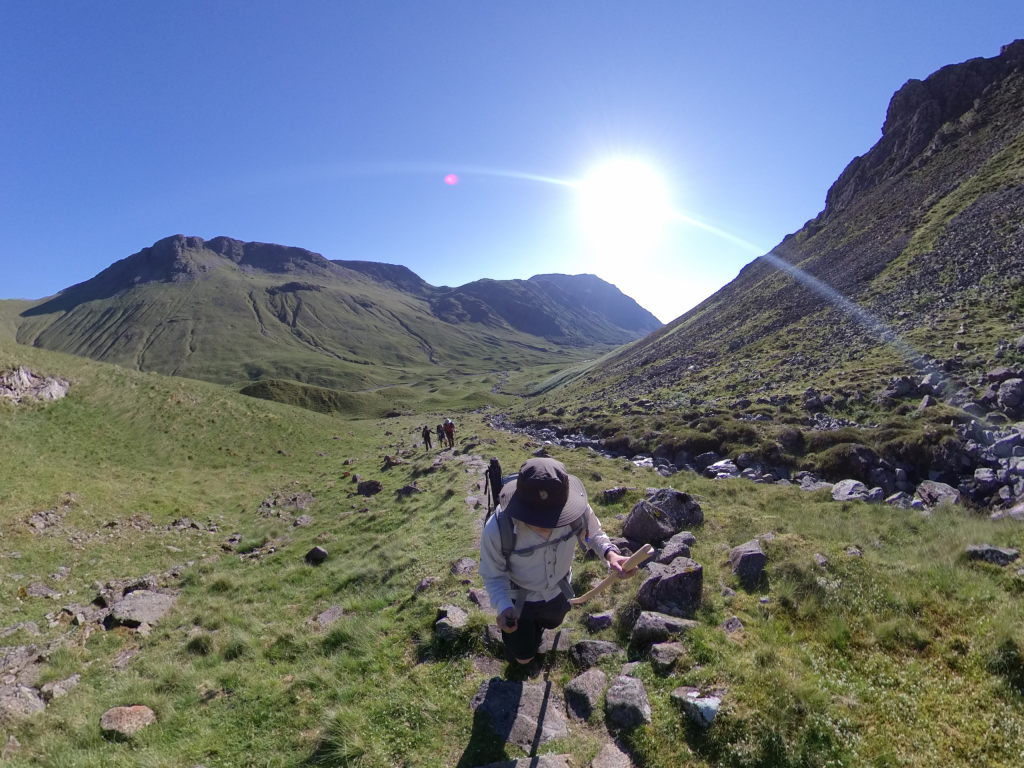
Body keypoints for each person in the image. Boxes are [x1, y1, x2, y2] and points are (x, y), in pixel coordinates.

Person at [479, 457, 636, 668]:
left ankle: (540, 627)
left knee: (553, 622)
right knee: (523, 658)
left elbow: (591, 535)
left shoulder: (575, 510)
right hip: (519, 600)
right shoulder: (498, 528)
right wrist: (504, 607)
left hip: (558, 590)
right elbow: (493, 575)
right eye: (538, 519)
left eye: (555, 517)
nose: (549, 526)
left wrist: (611, 554)